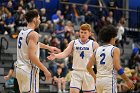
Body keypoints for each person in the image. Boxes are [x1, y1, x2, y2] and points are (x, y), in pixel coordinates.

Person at [15, 10, 60, 93]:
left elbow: (33, 44)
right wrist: (45, 70)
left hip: (19, 69)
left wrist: (48, 47)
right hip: (29, 70)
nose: (40, 20)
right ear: (34, 19)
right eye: (39, 18)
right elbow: (32, 56)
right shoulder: (33, 34)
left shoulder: (22, 31)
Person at [48, 23, 99, 93]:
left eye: (85, 32)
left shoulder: (94, 44)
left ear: (89, 33)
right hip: (76, 71)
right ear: (79, 33)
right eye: (81, 32)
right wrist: (56, 55)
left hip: (88, 72)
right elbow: (65, 53)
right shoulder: (74, 42)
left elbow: (99, 58)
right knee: (73, 91)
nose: (83, 34)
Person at [87, 25, 135, 93]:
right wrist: (127, 80)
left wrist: (95, 77)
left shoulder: (97, 50)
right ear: (112, 37)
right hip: (109, 81)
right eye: (115, 37)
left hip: (99, 82)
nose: (115, 39)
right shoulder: (115, 49)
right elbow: (117, 66)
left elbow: (88, 67)